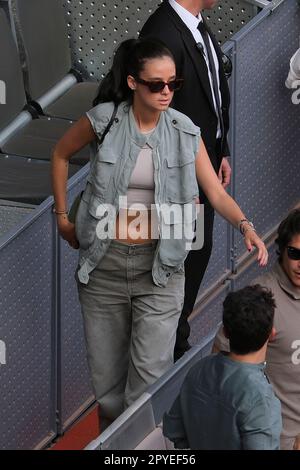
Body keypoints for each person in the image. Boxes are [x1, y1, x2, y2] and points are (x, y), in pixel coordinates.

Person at [51, 37, 267, 427]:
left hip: (161, 271)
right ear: (133, 83)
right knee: (111, 395)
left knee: (145, 390)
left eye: (174, 84)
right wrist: (63, 216)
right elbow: (60, 154)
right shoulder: (105, 119)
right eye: (157, 84)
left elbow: (215, 192)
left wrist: (246, 226)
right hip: (105, 267)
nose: (167, 92)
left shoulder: (185, 131)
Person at [140, 0, 232, 361]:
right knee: (177, 266)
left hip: (202, 166)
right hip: (180, 182)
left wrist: (220, 149)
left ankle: (174, 349)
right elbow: (152, 116)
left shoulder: (196, 25)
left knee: (194, 258)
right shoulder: (162, 30)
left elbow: (210, 95)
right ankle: (165, 357)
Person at [213, 208, 300, 450]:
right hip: (274, 441)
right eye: (295, 253)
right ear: (281, 250)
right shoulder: (261, 299)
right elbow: (219, 367)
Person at [163, 285, 282, 450]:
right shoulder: (261, 399)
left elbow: (175, 432)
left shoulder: (199, 369)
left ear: (225, 331)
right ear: (272, 334)